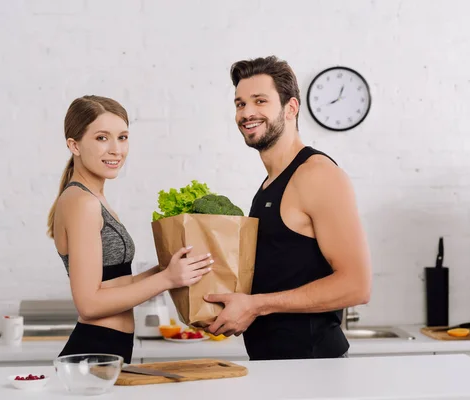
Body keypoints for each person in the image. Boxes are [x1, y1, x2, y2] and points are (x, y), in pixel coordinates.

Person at [203, 56, 372, 360]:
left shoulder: (317, 174)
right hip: (275, 368)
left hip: (315, 370)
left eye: (260, 101)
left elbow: (357, 285)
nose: (247, 113)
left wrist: (255, 305)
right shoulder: (270, 183)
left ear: (290, 108)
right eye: (240, 104)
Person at [47, 95, 213, 363]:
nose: (116, 149)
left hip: (109, 348)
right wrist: (167, 279)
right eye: (102, 138)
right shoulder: (82, 202)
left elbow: (113, 283)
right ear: (74, 145)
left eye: (122, 137)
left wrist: (163, 269)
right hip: (94, 350)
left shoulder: (93, 198)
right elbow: (89, 305)